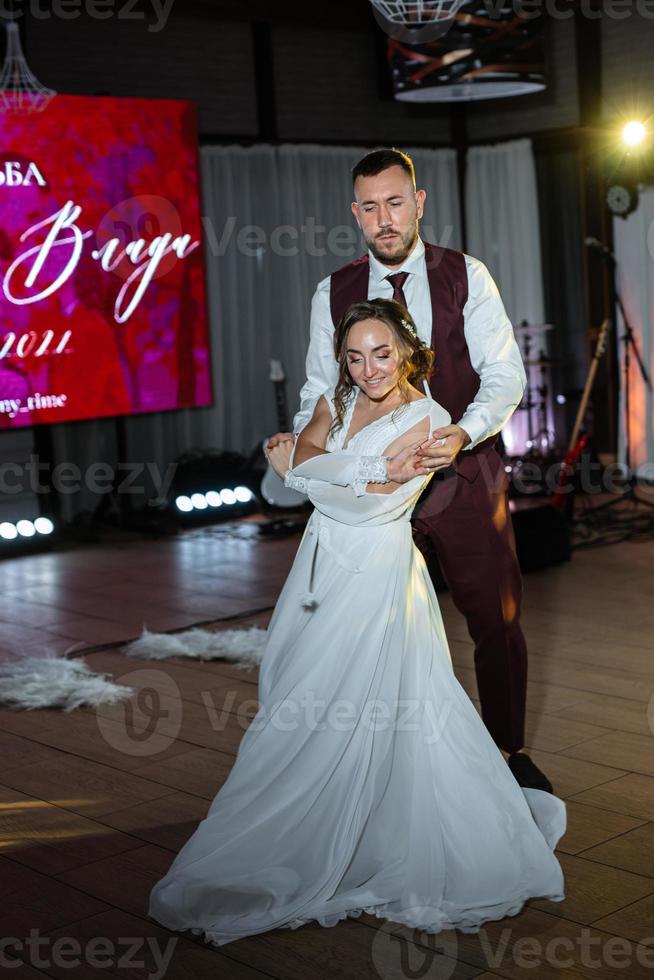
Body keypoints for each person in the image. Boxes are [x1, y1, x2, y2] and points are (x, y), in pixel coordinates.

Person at [148, 300, 565, 947]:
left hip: (377, 576)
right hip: (318, 573)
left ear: (405, 351)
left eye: (380, 352)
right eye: (354, 355)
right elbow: (289, 483)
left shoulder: (429, 418)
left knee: (373, 701)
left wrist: (320, 469)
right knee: (300, 693)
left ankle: (379, 827)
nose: (368, 367)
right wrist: (330, 469)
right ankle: (306, 819)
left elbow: (366, 503)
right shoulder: (333, 402)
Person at [268, 147, 549, 792]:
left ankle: (510, 753)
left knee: (495, 616)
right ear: (355, 213)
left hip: (464, 478)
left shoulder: (466, 275)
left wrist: (460, 436)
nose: (384, 218)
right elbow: (322, 386)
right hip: (375, 492)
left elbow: (504, 375)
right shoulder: (331, 291)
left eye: (396, 202)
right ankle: (385, 768)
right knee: (375, 625)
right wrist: (311, 451)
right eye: (370, 207)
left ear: (418, 203)